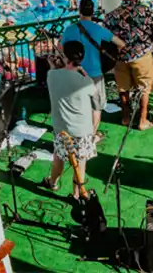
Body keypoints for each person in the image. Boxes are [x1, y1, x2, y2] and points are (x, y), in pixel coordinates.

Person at [103, 0, 153, 131]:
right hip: (141, 56)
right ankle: (142, 121)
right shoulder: (145, 11)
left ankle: (126, 118)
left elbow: (106, 37)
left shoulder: (111, 15)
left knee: (123, 89)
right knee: (144, 89)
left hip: (121, 58)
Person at [42, 40, 101, 195]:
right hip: (82, 131)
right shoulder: (86, 82)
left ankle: (53, 183)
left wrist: (53, 65)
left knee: (58, 158)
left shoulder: (51, 75)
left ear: (64, 56)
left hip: (61, 130)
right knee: (80, 164)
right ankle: (76, 194)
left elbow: (57, 75)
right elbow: (97, 102)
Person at [59, 0, 124, 135]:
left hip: (74, 72)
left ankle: (76, 133)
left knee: (75, 105)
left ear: (79, 10)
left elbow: (60, 48)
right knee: (96, 106)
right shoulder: (98, 29)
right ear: (93, 11)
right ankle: (91, 135)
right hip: (94, 73)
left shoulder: (69, 29)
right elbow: (120, 43)